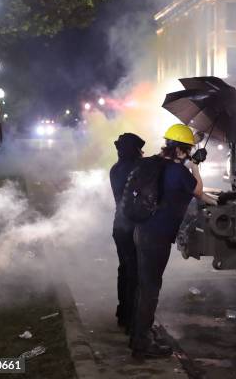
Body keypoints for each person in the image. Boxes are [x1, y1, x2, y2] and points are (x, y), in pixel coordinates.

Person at [130, 124, 213, 359]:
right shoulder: (178, 172)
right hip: (157, 238)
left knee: (144, 285)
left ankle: (139, 334)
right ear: (179, 151)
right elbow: (197, 190)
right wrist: (195, 165)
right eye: (186, 150)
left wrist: (189, 153)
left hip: (142, 231)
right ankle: (142, 345)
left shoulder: (157, 163)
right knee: (150, 290)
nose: (188, 154)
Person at [110, 133, 145, 332]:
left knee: (124, 269)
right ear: (134, 151)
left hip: (119, 227)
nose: (142, 153)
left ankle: (123, 312)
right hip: (132, 227)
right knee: (135, 273)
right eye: (139, 149)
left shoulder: (116, 169)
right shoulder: (135, 169)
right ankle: (132, 319)